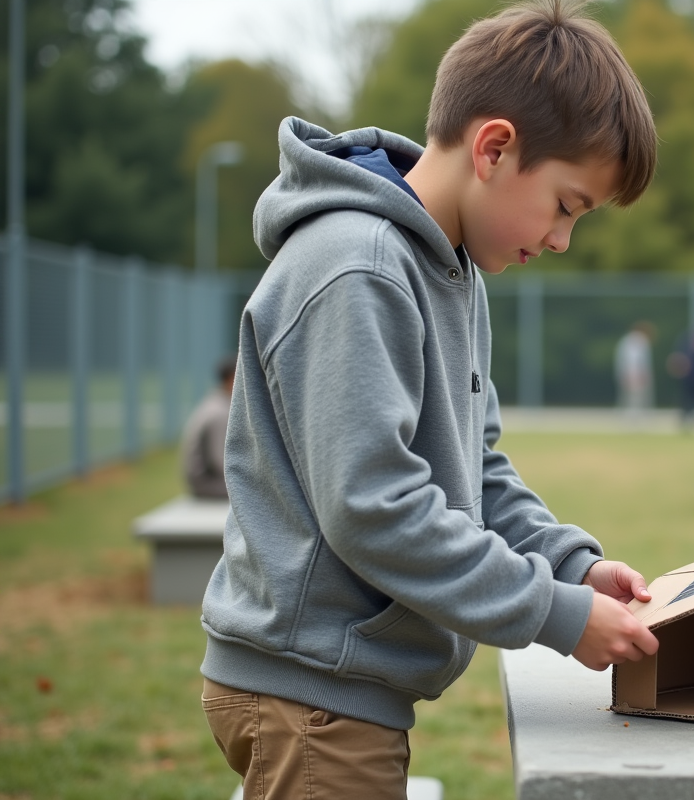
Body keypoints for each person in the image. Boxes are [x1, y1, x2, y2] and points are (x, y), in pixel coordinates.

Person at [199, 3, 661, 797]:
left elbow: (475, 470)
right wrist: (553, 615)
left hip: (338, 693)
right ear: (493, 148)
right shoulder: (360, 266)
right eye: (566, 205)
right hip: (312, 698)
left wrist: (571, 568)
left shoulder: (451, 270)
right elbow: (374, 508)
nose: (561, 240)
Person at [180, 356, 236, 500]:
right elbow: (220, 462)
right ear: (231, 379)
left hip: (206, 481)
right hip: (208, 484)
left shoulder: (216, 401)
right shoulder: (220, 412)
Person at [614, 321, 655, 412]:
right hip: (635, 374)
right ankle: (634, 415)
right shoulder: (639, 341)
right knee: (636, 398)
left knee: (627, 398)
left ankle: (627, 414)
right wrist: (636, 374)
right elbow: (635, 360)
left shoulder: (626, 340)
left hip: (628, 373)